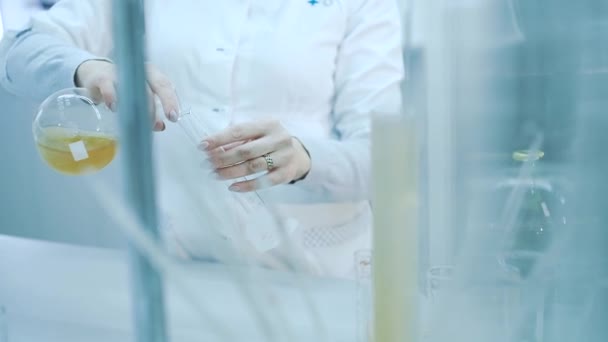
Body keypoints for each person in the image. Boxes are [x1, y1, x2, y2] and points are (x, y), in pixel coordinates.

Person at [1, 0, 404, 277]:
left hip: (317, 273)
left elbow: (386, 160)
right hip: (179, 266)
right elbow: (17, 52)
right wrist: (87, 67)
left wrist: (304, 158)